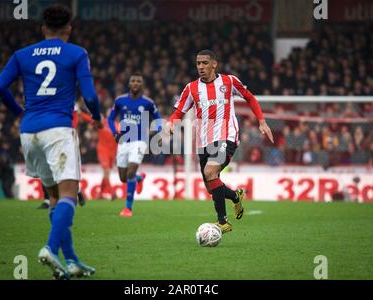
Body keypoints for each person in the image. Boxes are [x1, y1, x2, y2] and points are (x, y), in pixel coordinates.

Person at [0, 4, 102, 279]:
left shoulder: (22, 54)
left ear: (43, 29)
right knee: (69, 195)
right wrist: (98, 117)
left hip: (29, 132)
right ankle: (51, 248)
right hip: (58, 130)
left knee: (54, 197)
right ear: (69, 29)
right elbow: (89, 95)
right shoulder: (77, 53)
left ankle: (73, 260)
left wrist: (20, 112)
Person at [167, 50, 273, 233]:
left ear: (214, 64)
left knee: (210, 171)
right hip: (203, 141)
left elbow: (249, 97)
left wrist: (262, 121)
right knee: (211, 185)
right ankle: (235, 196)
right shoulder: (191, 88)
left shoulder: (229, 81)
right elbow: (179, 111)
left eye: (205, 63)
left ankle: (223, 222)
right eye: (198, 63)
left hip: (227, 135)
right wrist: (171, 122)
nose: (201, 66)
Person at [107, 72, 162, 217]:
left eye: (138, 81)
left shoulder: (148, 103)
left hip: (139, 140)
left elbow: (158, 118)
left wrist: (159, 132)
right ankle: (139, 178)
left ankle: (128, 208)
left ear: (142, 84)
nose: (136, 83)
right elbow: (110, 119)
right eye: (133, 81)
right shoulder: (120, 101)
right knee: (123, 178)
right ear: (129, 83)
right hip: (124, 141)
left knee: (130, 170)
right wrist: (114, 132)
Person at [80, 109, 118, 200]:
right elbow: (89, 119)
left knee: (106, 173)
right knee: (106, 171)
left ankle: (100, 194)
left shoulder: (118, 125)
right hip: (102, 150)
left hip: (112, 152)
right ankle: (111, 192)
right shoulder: (102, 122)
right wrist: (80, 113)